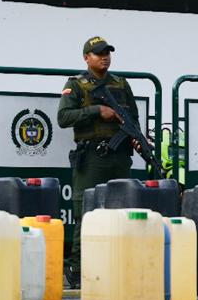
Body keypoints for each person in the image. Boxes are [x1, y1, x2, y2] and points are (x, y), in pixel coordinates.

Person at [57, 37, 141, 284]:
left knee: (122, 211)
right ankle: (76, 269)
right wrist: (97, 111)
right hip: (92, 156)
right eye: (98, 53)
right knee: (87, 211)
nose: (104, 57)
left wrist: (136, 138)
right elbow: (63, 117)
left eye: (107, 53)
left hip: (119, 156)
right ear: (86, 58)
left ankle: (116, 266)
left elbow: (132, 118)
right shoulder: (77, 85)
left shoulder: (121, 84)